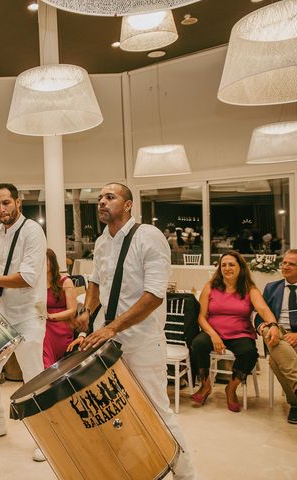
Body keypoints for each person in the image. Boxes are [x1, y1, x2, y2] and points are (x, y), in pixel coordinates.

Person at [68, 183, 197, 479]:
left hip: (141, 340)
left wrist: (112, 327)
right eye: (100, 198)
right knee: (113, 411)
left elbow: (154, 295)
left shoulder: (148, 237)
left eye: (110, 197)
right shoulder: (102, 242)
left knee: (156, 411)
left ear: (128, 205)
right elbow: (96, 284)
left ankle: (187, 474)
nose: (102, 202)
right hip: (106, 337)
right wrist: (86, 312)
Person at [0, 183, 47, 462]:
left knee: (33, 376)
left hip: (29, 314)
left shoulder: (33, 231)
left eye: (6, 203)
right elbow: (5, 267)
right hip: (4, 309)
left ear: (18, 202)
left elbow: (27, 276)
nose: (1, 209)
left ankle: (45, 434)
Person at [190, 251, 275, 412]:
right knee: (197, 344)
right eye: (224, 265)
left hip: (240, 334)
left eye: (231, 264)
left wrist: (273, 324)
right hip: (213, 331)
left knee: (249, 353)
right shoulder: (210, 287)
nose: (227, 268)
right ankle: (205, 385)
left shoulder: (249, 289)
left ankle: (231, 388)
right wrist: (213, 334)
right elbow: (201, 317)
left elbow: (263, 309)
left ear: (240, 267)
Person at [254, 249, 297, 424]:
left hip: (293, 337)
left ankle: (295, 405)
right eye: (284, 262)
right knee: (268, 329)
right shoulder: (272, 288)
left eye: (291, 264)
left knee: (274, 361)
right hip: (276, 333)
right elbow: (258, 316)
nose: (285, 266)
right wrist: (263, 326)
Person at [43, 248, 76, 368]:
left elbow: (72, 311)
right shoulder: (38, 283)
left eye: (45, 261)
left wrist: (51, 316)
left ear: (52, 262)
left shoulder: (65, 282)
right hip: (44, 325)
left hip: (61, 324)